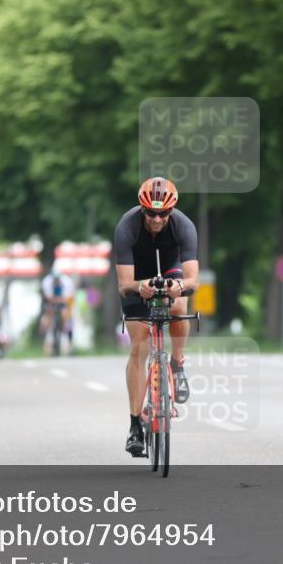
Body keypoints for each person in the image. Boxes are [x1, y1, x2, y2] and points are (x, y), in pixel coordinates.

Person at [114, 177, 199, 456]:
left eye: (163, 213)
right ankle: (134, 426)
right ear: (142, 209)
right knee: (139, 346)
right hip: (137, 276)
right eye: (151, 213)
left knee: (179, 305)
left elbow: (193, 280)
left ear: (171, 211)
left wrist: (179, 287)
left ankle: (177, 363)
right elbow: (124, 285)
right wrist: (141, 287)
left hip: (171, 269)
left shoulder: (184, 226)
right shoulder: (126, 227)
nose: (157, 219)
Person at [40, 267, 75, 355]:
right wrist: (54, 302)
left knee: (67, 316)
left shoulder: (67, 282)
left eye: (58, 280)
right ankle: (46, 337)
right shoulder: (47, 282)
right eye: (55, 280)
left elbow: (67, 299)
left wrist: (59, 301)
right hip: (51, 302)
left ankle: (67, 335)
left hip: (64, 301)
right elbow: (48, 298)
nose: (56, 282)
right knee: (47, 315)